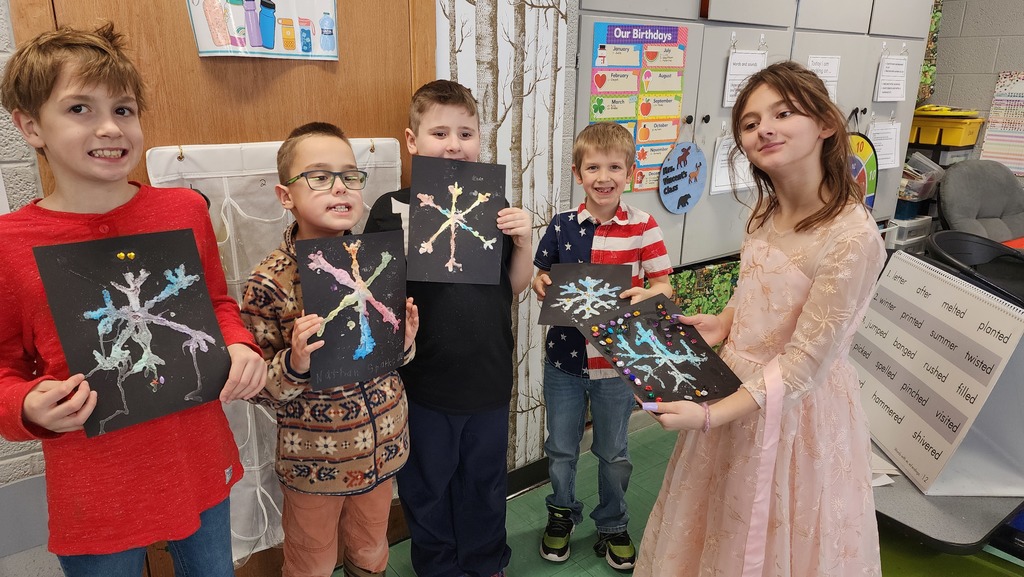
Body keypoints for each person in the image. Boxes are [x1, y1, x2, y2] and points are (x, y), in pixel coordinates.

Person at [0, 23, 266, 576]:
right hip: (97, 490)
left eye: (123, 109)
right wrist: (25, 407)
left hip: (199, 463)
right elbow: (4, 367)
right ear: (30, 126)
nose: (109, 127)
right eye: (79, 109)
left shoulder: (183, 212)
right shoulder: (10, 245)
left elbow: (216, 303)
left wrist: (239, 346)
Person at [634, 61, 885, 577]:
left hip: (793, 413)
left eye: (783, 112)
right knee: (715, 522)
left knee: (775, 533)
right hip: (733, 385)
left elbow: (803, 365)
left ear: (826, 124)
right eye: (749, 123)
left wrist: (709, 415)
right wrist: (725, 322)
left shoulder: (852, 237)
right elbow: (756, 290)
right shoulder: (763, 211)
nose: (763, 128)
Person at [363, 79, 533, 577]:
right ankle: (437, 567)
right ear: (413, 142)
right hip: (424, 385)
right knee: (426, 487)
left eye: (466, 133)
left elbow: (515, 286)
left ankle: (484, 563)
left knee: (484, 483)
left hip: (488, 378)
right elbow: (378, 297)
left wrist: (523, 242)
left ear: (480, 140)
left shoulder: (496, 207)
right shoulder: (390, 209)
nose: (454, 144)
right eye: (439, 132)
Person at [239, 122, 420, 577]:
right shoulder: (269, 283)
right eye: (319, 177)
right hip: (314, 462)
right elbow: (257, 386)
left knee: (371, 547)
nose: (340, 187)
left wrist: (406, 343)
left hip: (382, 446)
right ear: (286, 196)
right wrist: (295, 363)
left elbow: (383, 357)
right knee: (311, 560)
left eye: (350, 176)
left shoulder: (377, 260)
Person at [531, 121, 674, 570]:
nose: (603, 176)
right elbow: (539, 274)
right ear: (578, 174)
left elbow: (664, 285)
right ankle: (562, 513)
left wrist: (648, 294)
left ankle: (613, 522)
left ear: (629, 172)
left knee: (613, 451)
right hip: (565, 362)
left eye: (614, 166)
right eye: (593, 166)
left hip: (618, 364)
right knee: (561, 448)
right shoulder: (561, 227)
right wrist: (541, 284)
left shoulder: (645, 227)